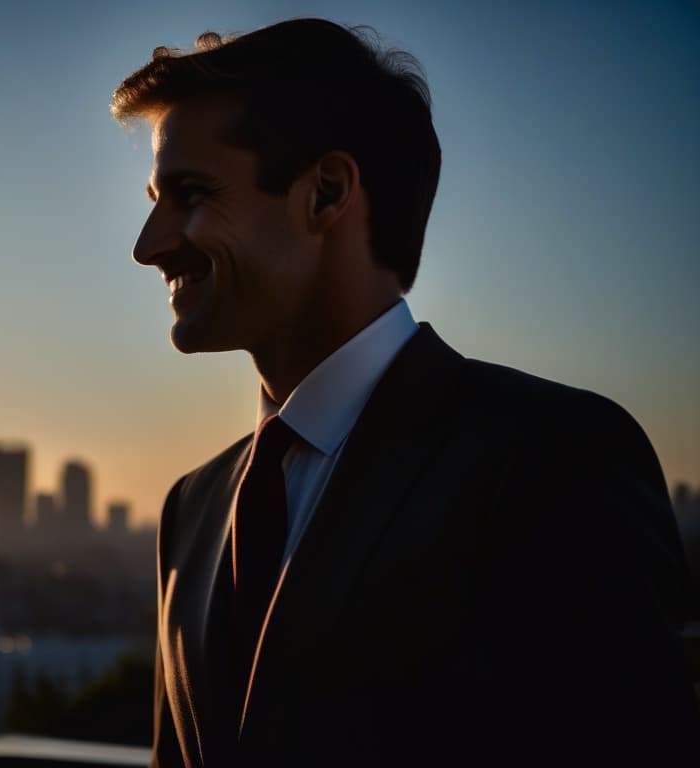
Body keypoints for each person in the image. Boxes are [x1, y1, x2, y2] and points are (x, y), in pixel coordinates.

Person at [110, 18, 699, 766]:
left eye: (189, 194)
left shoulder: (555, 457)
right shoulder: (190, 510)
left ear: (326, 193)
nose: (147, 245)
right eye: (157, 198)